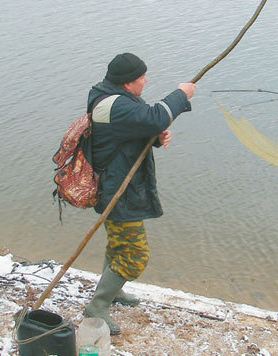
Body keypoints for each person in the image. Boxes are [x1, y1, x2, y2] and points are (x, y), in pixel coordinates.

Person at [84, 53, 195, 335]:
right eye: (142, 77)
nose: (146, 81)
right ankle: (98, 306)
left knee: (118, 246)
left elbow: (139, 127)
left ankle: (112, 292)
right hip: (117, 191)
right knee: (135, 255)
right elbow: (155, 116)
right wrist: (181, 94)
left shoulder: (115, 99)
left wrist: (156, 137)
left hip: (120, 186)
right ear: (127, 83)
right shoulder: (112, 104)